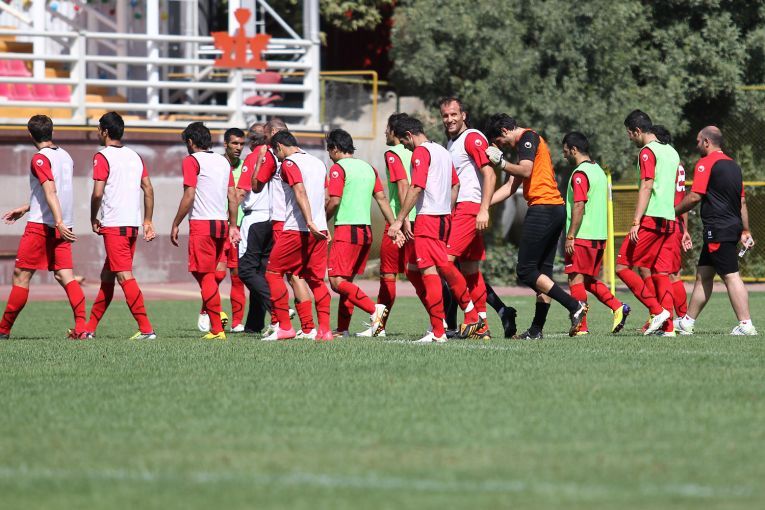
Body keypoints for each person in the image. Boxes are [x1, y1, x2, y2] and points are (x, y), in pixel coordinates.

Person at [485, 114, 588, 338]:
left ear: (504, 131)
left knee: (525, 270)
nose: (500, 146)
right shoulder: (523, 147)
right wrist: (483, 204)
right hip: (553, 209)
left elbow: (525, 171)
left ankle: (574, 306)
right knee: (543, 274)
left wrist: (501, 163)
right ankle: (536, 330)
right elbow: (511, 186)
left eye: (498, 141)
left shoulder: (527, 137)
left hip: (544, 209)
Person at [388, 116, 482, 343]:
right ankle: (468, 314)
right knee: (439, 266)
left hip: (428, 219)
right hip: (443, 218)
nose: (405, 147)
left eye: (404, 142)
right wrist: (446, 208)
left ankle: (439, 331)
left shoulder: (421, 152)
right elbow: (455, 184)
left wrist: (399, 220)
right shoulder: (442, 151)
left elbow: (416, 186)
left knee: (429, 273)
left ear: (409, 135)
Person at [0, 115, 89, 339]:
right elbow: (55, 193)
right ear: (52, 131)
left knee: (21, 276)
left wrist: (57, 221)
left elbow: (51, 191)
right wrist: (26, 208)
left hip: (43, 226)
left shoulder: (39, 158)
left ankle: (3, 330)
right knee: (65, 276)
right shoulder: (66, 156)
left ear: (30, 135)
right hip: (63, 226)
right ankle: (82, 328)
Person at [675, 126, 757, 335]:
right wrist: (745, 230)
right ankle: (687, 322)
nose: (696, 145)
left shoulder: (706, 163)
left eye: (698, 141)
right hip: (729, 227)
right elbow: (742, 201)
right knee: (704, 275)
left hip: (718, 229)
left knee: (731, 275)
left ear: (706, 142)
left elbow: (695, 196)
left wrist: (672, 212)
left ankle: (746, 325)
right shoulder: (734, 166)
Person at [440, 97, 509, 340]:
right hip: (461, 209)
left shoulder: (472, 137)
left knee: (444, 263)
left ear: (464, 115)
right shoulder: (452, 142)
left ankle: (471, 318)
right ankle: (482, 327)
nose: (449, 119)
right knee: (470, 270)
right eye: (445, 115)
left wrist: (483, 209)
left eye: (454, 114)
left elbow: (489, 174)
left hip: (469, 208)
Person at [85, 111, 157, 339]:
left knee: (124, 276)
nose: (98, 132)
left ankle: (146, 329)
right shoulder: (135, 156)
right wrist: (147, 220)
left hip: (114, 225)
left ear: (105, 131)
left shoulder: (102, 156)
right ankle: (89, 329)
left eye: (99, 129)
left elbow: (97, 193)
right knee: (107, 276)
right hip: (131, 225)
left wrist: (93, 217)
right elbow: (148, 188)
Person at [325, 128, 399, 336]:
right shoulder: (369, 168)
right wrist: (394, 224)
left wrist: (321, 221)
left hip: (347, 230)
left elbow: (335, 201)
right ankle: (343, 329)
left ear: (335, 148)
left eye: (329, 150)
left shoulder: (338, 168)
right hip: (365, 233)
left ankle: (375, 311)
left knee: (337, 282)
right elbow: (382, 199)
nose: (329, 155)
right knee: (346, 282)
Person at [171, 122, 240, 340]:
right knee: (209, 274)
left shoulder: (192, 160)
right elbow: (232, 196)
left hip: (202, 224)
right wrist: (232, 225)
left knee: (205, 275)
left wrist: (176, 222)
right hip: (221, 224)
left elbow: (189, 195)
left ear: (190, 142)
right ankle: (215, 319)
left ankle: (216, 327)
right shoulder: (223, 161)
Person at [615, 110, 680, 336]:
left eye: (629, 133)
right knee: (661, 273)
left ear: (637, 131)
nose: (629, 138)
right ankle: (669, 328)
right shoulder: (671, 151)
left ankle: (657, 311)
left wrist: (636, 221)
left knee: (622, 266)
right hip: (669, 219)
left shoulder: (647, 152)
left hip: (651, 218)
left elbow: (647, 185)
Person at [264, 131, 333, 341]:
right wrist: (321, 223)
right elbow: (327, 197)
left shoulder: (289, 163)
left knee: (273, 273)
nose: (277, 157)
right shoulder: (319, 162)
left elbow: (300, 191)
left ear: (279, 147)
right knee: (315, 279)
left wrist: (309, 221)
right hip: (319, 230)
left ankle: (285, 327)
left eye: (275, 152)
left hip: (297, 228)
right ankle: (324, 331)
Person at [561, 131, 630, 335]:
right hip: (599, 236)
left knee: (575, 280)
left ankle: (581, 327)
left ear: (574, 150)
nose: (564, 155)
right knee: (588, 281)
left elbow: (579, 205)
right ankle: (618, 307)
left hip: (583, 236)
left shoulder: (580, 174)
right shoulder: (598, 170)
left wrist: (570, 235)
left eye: (565, 151)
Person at [252, 118, 315, 338]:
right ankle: (307, 327)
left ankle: (282, 323)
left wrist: (259, 161)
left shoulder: (272, 155)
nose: (265, 141)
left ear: (274, 133)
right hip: (305, 222)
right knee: (296, 274)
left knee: (278, 273)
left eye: (266, 136)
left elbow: (256, 186)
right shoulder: (305, 157)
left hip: (283, 221)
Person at [356, 113, 416, 337]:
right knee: (423, 274)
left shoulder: (393, 153)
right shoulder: (418, 151)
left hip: (400, 222)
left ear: (395, 131)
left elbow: (402, 186)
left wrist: (402, 221)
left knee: (388, 274)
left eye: (387, 128)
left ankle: (379, 327)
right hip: (421, 217)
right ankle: (441, 324)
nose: (384, 132)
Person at [195, 127, 247, 333]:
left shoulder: (245, 167)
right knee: (216, 274)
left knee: (237, 274)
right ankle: (206, 309)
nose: (238, 148)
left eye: (241, 144)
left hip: (238, 226)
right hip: (217, 225)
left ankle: (237, 322)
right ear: (225, 144)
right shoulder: (216, 164)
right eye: (234, 143)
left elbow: (239, 194)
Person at [644, 125, 692, 330]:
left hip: (665, 220)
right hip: (675, 221)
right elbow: (683, 197)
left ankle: (680, 319)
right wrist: (685, 229)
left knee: (667, 273)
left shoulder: (664, 162)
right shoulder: (677, 162)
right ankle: (669, 317)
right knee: (664, 272)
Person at [236, 123, 274, 334]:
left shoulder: (253, 157)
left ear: (251, 141)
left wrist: (230, 218)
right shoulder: (275, 156)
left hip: (255, 219)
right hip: (273, 219)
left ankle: (278, 308)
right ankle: (254, 324)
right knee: (261, 272)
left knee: (246, 270)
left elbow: (242, 191)